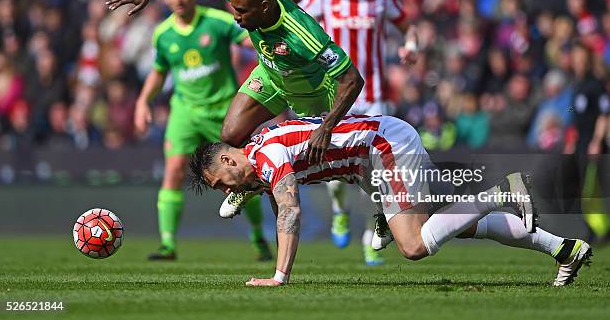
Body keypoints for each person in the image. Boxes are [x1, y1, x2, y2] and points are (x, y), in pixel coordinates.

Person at [107, 0, 378, 229]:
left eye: (242, 11)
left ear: (264, 6)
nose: (235, 15)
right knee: (231, 134)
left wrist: (326, 126)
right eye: (233, 7)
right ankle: (251, 186)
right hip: (271, 77)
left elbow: (353, 79)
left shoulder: (302, 34)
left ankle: (382, 210)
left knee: (339, 167)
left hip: (313, 93)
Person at [189, 115, 592, 287]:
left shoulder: (267, 155)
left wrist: (279, 277)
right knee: (455, 223)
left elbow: (290, 208)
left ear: (228, 158)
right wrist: (246, 192)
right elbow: (276, 196)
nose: (226, 190)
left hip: (383, 149)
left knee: (414, 245)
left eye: (220, 182)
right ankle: (564, 249)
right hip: (373, 154)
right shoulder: (257, 156)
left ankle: (499, 192)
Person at [298, 0, 417, 264]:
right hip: (336, 94)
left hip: (376, 96)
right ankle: (339, 209)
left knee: (375, 171)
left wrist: (411, 46)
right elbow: (295, 24)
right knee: (331, 163)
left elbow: (409, 27)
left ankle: (371, 232)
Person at [134, 0, 270, 260]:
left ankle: (257, 236)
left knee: (243, 177)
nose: (180, 0)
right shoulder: (163, 33)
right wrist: (142, 102)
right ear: (166, 0)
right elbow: (159, 71)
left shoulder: (217, 22)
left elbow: (249, 39)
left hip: (223, 112)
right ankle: (168, 244)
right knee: (173, 170)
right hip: (184, 112)